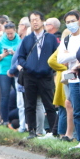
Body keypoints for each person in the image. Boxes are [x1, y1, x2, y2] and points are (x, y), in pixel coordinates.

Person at [17, 11, 60, 139]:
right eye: (32, 20)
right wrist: (28, 66)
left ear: (42, 21)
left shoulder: (51, 38)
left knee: (49, 104)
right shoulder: (27, 39)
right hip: (30, 76)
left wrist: (49, 68)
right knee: (29, 104)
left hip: (46, 76)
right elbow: (20, 57)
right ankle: (32, 130)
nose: (35, 22)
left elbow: (57, 55)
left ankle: (54, 132)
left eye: (37, 19)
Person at [58, 10, 80, 145]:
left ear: (79, 20)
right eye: (68, 22)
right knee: (76, 110)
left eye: (73, 21)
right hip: (72, 78)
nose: (71, 24)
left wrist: (69, 54)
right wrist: (76, 54)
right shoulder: (66, 39)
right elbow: (60, 58)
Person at [0, 23, 22, 127]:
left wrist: (15, 53)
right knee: (5, 96)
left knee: (19, 94)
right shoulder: (0, 41)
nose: (9, 35)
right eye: (7, 34)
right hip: (3, 71)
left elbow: (22, 54)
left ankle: (21, 120)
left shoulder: (19, 40)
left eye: (11, 33)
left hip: (16, 71)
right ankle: (5, 120)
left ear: (15, 31)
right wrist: (3, 55)